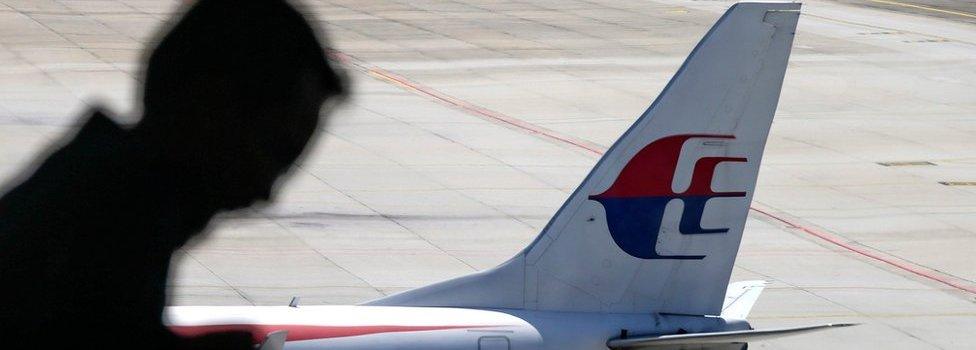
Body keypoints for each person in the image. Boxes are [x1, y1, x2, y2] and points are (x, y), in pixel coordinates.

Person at [0, 0, 345, 348]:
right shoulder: (115, 224)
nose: (266, 193)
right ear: (210, 109)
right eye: (274, 151)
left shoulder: (87, 190)